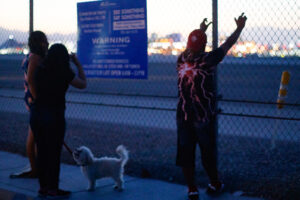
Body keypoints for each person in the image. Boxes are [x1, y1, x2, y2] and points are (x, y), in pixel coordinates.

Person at [176, 13, 247, 200]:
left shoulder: (181, 59)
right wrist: (239, 28)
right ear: (204, 46)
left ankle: (192, 188)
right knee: (207, 152)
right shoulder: (207, 61)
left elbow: (191, 47)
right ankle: (214, 183)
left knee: (186, 152)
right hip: (202, 116)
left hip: (183, 115)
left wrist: (200, 30)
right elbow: (226, 45)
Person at [29, 43, 87, 198]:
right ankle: (53, 188)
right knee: (54, 153)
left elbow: (32, 86)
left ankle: (43, 187)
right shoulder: (64, 72)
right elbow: (83, 84)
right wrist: (77, 63)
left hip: (37, 114)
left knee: (41, 151)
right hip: (54, 115)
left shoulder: (40, 70)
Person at [10, 31, 49, 179]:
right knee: (33, 136)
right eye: (43, 41)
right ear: (37, 42)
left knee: (36, 134)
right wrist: (37, 99)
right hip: (34, 100)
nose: (45, 43)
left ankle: (36, 167)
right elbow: (31, 80)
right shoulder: (35, 58)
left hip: (32, 98)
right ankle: (34, 169)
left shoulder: (32, 56)